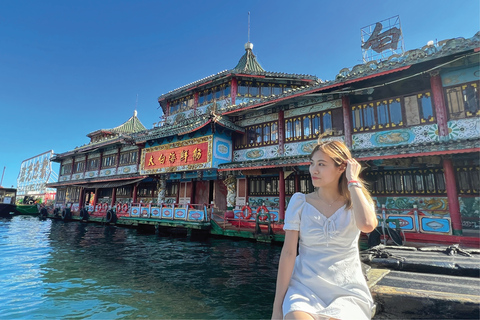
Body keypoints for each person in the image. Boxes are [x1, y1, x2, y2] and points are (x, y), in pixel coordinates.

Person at [272, 138, 378, 320]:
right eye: (312, 163)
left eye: (322, 164)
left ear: (341, 168)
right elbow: (289, 253)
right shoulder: (300, 202)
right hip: (304, 287)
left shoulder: (356, 201)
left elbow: (367, 225)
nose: (314, 170)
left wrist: (353, 181)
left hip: (347, 290)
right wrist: (277, 307)